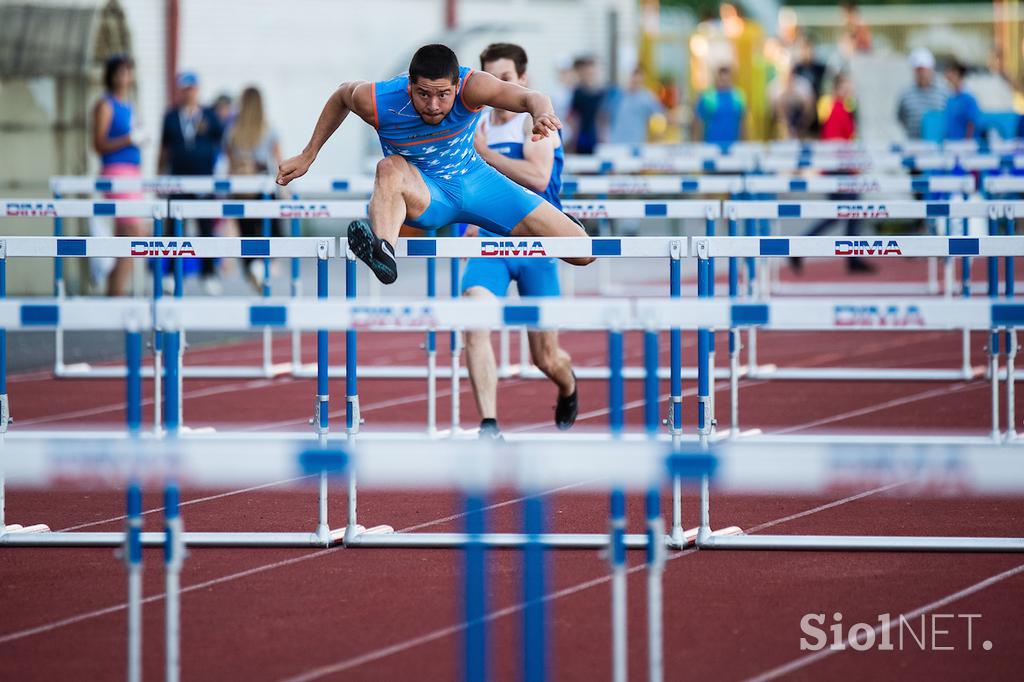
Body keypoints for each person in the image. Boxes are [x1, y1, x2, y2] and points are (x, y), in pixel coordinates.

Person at [276, 43, 593, 285]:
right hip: (426, 193)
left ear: (457, 86)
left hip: (477, 182)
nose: (433, 105)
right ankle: (382, 248)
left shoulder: (474, 86)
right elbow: (342, 96)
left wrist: (541, 114)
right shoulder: (380, 99)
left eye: (443, 95)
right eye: (423, 94)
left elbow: (529, 97)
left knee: (582, 253)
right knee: (389, 168)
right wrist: (309, 154)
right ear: (409, 85)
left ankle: (564, 223)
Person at [460, 43, 578, 439]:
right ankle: (489, 425)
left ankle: (567, 385)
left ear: (522, 80)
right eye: (492, 78)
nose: (499, 86)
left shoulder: (534, 122)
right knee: (474, 320)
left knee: (544, 357)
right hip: (491, 245)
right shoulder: (474, 124)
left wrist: (485, 154)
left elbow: (537, 177)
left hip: (537, 245)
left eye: (506, 78)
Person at [158, 71, 225, 294]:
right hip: (178, 179)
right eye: (185, 88)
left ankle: (208, 273)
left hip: (204, 179)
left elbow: (222, 143)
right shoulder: (171, 116)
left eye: (192, 88)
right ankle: (170, 274)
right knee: (174, 227)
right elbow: (164, 149)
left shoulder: (208, 115)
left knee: (206, 227)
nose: (189, 93)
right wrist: (159, 177)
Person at [91, 54, 146, 296]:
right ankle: (116, 291)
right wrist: (127, 139)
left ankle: (115, 289)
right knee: (133, 232)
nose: (124, 77)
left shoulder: (130, 105)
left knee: (128, 235)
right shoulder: (106, 104)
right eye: (120, 72)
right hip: (115, 171)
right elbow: (99, 144)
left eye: (128, 72)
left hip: (132, 172)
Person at [225, 86, 283, 291]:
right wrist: (284, 191)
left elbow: (229, 162)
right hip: (262, 188)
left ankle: (253, 266)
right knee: (268, 231)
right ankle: (263, 264)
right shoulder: (268, 129)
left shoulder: (232, 130)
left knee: (246, 232)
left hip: (240, 188)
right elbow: (278, 162)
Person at [896, 48, 948, 140]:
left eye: (924, 69)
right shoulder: (906, 94)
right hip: (914, 145)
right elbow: (901, 118)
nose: (922, 73)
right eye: (918, 70)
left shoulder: (944, 92)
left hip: (938, 148)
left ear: (931, 69)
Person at [608, 67, 664, 145]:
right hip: (615, 143)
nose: (635, 84)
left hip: (636, 144)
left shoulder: (647, 97)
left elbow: (660, 114)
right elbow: (604, 116)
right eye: (633, 81)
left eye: (638, 82)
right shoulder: (616, 94)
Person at [694, 64, 746, 147]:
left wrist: (744, 143)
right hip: (711, 145)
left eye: (727, 80)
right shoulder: (707, 97)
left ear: (731, 79)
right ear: (717, 79)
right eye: (722, 80)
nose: (724, 83)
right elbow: (698, 123)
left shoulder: (738, 96)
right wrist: (697, 144)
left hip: (733, 145)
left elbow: (743, 122)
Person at [568, 56, 607, 154]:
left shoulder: (601, 93)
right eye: (587, 73)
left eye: (592, 72)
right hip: (582, 134)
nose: (590, 75)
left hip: (597, 134)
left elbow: (603, 116)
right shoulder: (578, 92)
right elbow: (572, 115)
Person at [943, 60, 980, 141]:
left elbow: (971, 123)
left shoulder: (969, 99)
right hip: (951, 145)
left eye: (952, 74)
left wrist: (966, 144)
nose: (949, 77)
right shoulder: (950, 99)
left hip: (965, 147)